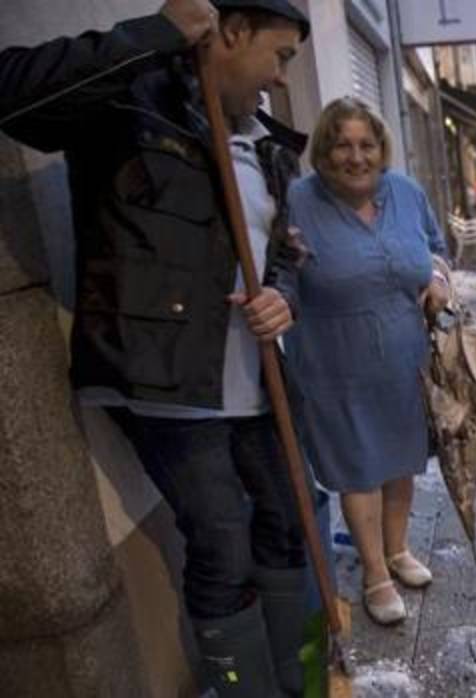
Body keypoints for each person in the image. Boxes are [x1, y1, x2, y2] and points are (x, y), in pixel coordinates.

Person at [0, 1, 312, 695]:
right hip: (167, 381)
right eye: (281, 55)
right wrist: (154, 35)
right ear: (231, 32)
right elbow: (16, 92)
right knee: (224, 545)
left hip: (257, 377)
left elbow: (286, 248)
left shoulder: (267, 142)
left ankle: (303, 679)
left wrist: (283, 293)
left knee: (291, 520)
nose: (283, 78)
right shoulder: (132, 101)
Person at [283, 97, 452, 627]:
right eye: (342, 145)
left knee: (401, 463)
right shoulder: (297, 201)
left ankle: (398, 550)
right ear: (324, 151)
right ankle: (375, 574)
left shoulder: (406, 192)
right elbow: (280, 274)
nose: (356, 156)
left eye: (367, 144)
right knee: (360, 471)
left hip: (405, 357)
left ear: (382, 149)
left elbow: (436, 247)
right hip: (337, 364)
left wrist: (439, 280)